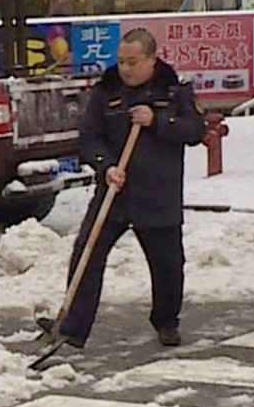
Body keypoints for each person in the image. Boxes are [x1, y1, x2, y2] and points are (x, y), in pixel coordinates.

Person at [41, 27, 203, 349]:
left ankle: (166, 320)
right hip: (115, 193)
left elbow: (195, 130)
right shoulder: (108, 90)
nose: (126, 68)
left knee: (167, 264)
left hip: (158, 194)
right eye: (121, 61)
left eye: (133, 61)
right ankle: (73, 324)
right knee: (87, 253)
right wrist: (106, 166)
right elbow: (88, 137)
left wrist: (157, 121)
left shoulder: (173, 91)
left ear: (152, 60)